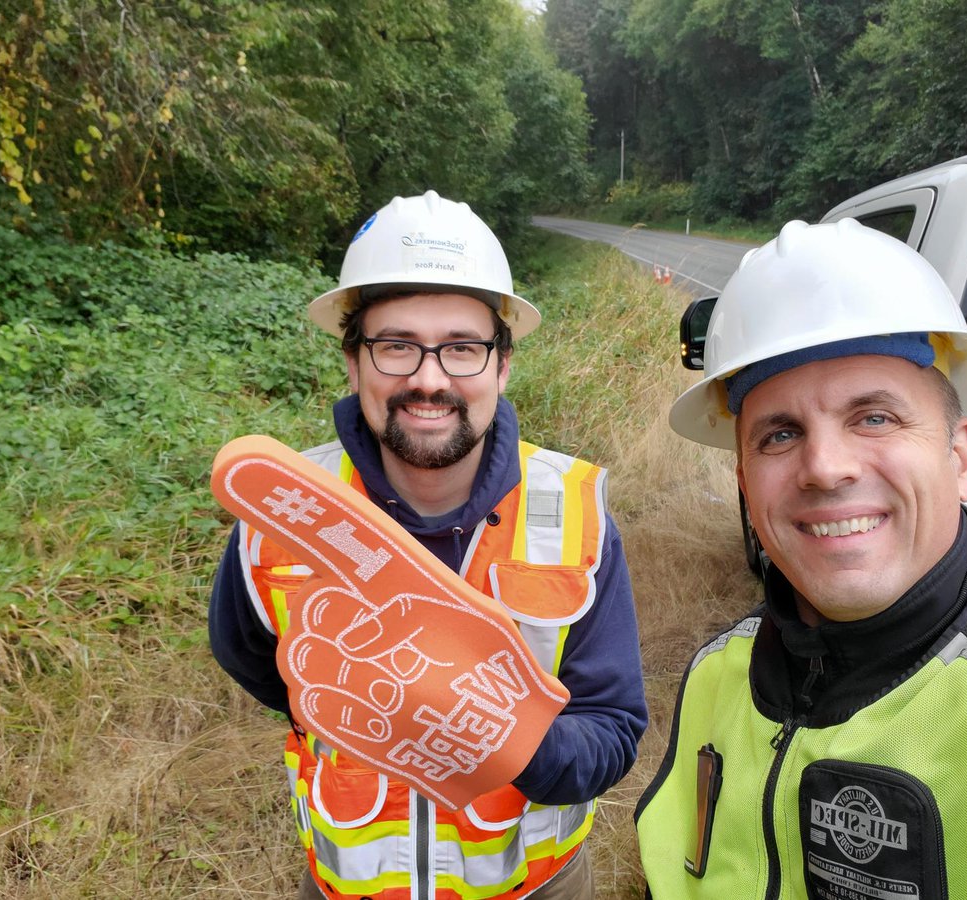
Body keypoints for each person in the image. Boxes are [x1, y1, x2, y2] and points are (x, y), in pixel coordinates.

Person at [635, 219, 967, 898]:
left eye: (874, 417)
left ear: (962, 457)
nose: (824, 468)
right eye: (781, 434)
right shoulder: (716, 674)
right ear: (744, 483)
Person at [209, 190, 647, 899]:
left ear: (502, 366)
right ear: (353, 362)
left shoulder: (573, 513)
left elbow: (614, 728)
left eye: (462, 348)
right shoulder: (281, 508)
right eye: (396, 345)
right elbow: (258, 663)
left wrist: (495, 735)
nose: (429, 377)